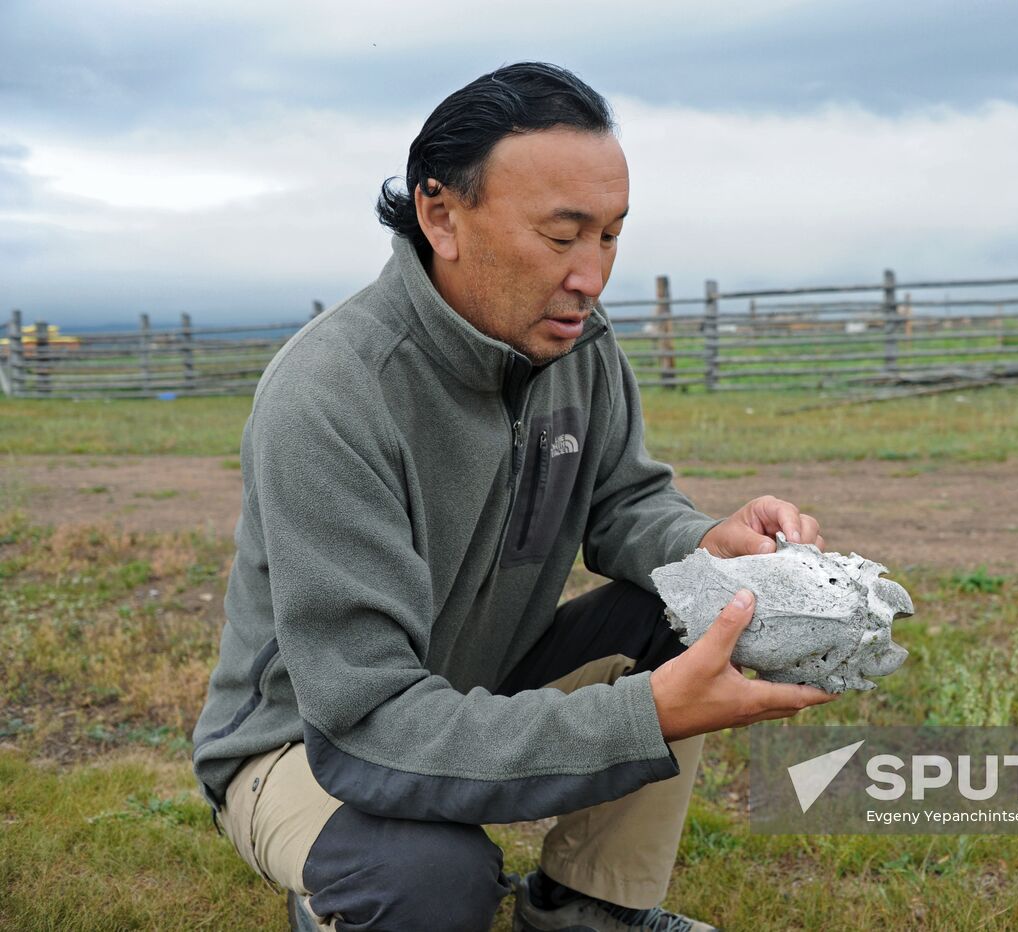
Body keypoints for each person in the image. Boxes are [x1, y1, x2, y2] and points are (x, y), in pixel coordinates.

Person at [192, 61, 836, 932]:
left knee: (696, 605)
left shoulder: (578, 346)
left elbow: (621, 505)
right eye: (562, 234)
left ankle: (588, 911)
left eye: (610, 234)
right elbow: (369, 715)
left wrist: (707, 541)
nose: (592, 275)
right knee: (428, 877)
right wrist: (642, 718)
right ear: (440, 215)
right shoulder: (332, 394)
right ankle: (347, 896)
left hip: (474, 683)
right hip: (309, 735)